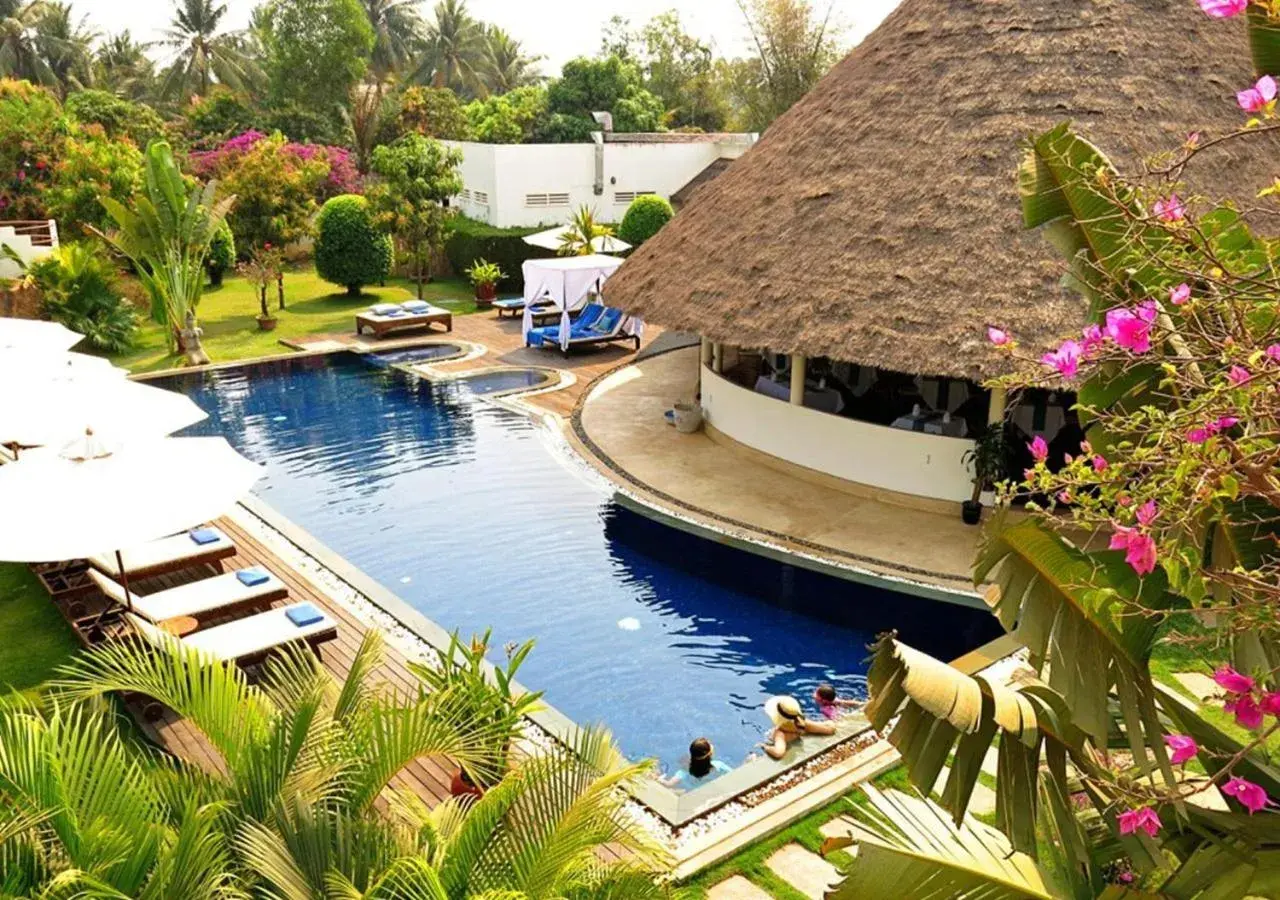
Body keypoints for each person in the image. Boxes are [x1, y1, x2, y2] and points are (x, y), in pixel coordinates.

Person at [762, 695, 835, 759]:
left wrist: (765, 747)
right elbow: (830, 729)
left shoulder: (780, 733)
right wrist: (829, 722)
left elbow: (779, 753)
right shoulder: (803, 723)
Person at [662, 737, 731, 789]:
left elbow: (669, 784)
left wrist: (657, 778)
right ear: (711, 754)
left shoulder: (685, 771)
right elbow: (734, 774)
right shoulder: (718, 765)